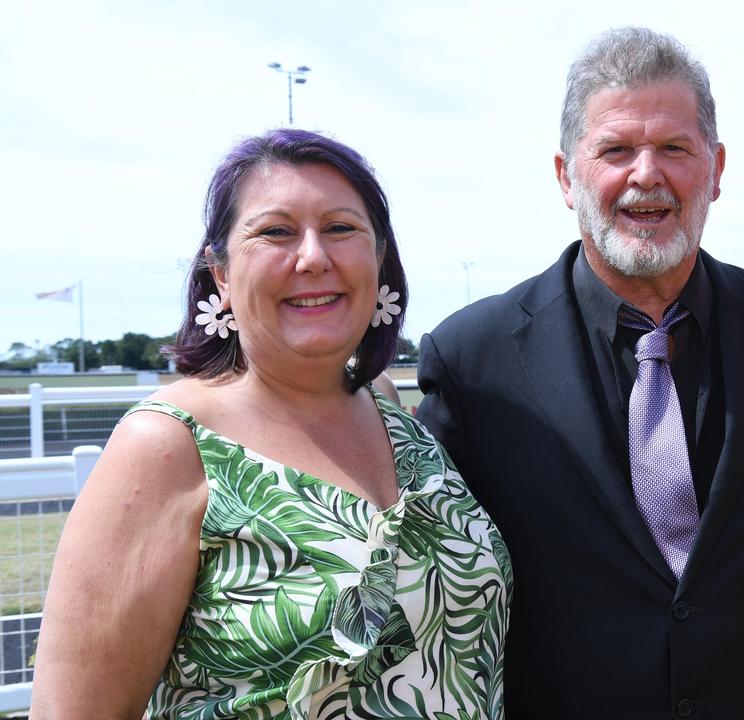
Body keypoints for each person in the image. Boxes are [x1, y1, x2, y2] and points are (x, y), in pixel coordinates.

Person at [416, 27, 744, 719]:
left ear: (716, 167)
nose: (647, 174)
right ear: (567, 176)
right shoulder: (473, 362)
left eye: (674, 148)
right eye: (616, 149)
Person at [31, 129, 511, 719]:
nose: (314, 256)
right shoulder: (168, 445)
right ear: (221, 275)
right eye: (276, 232)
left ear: (379, 258)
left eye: (341, 228)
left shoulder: (385, 404)